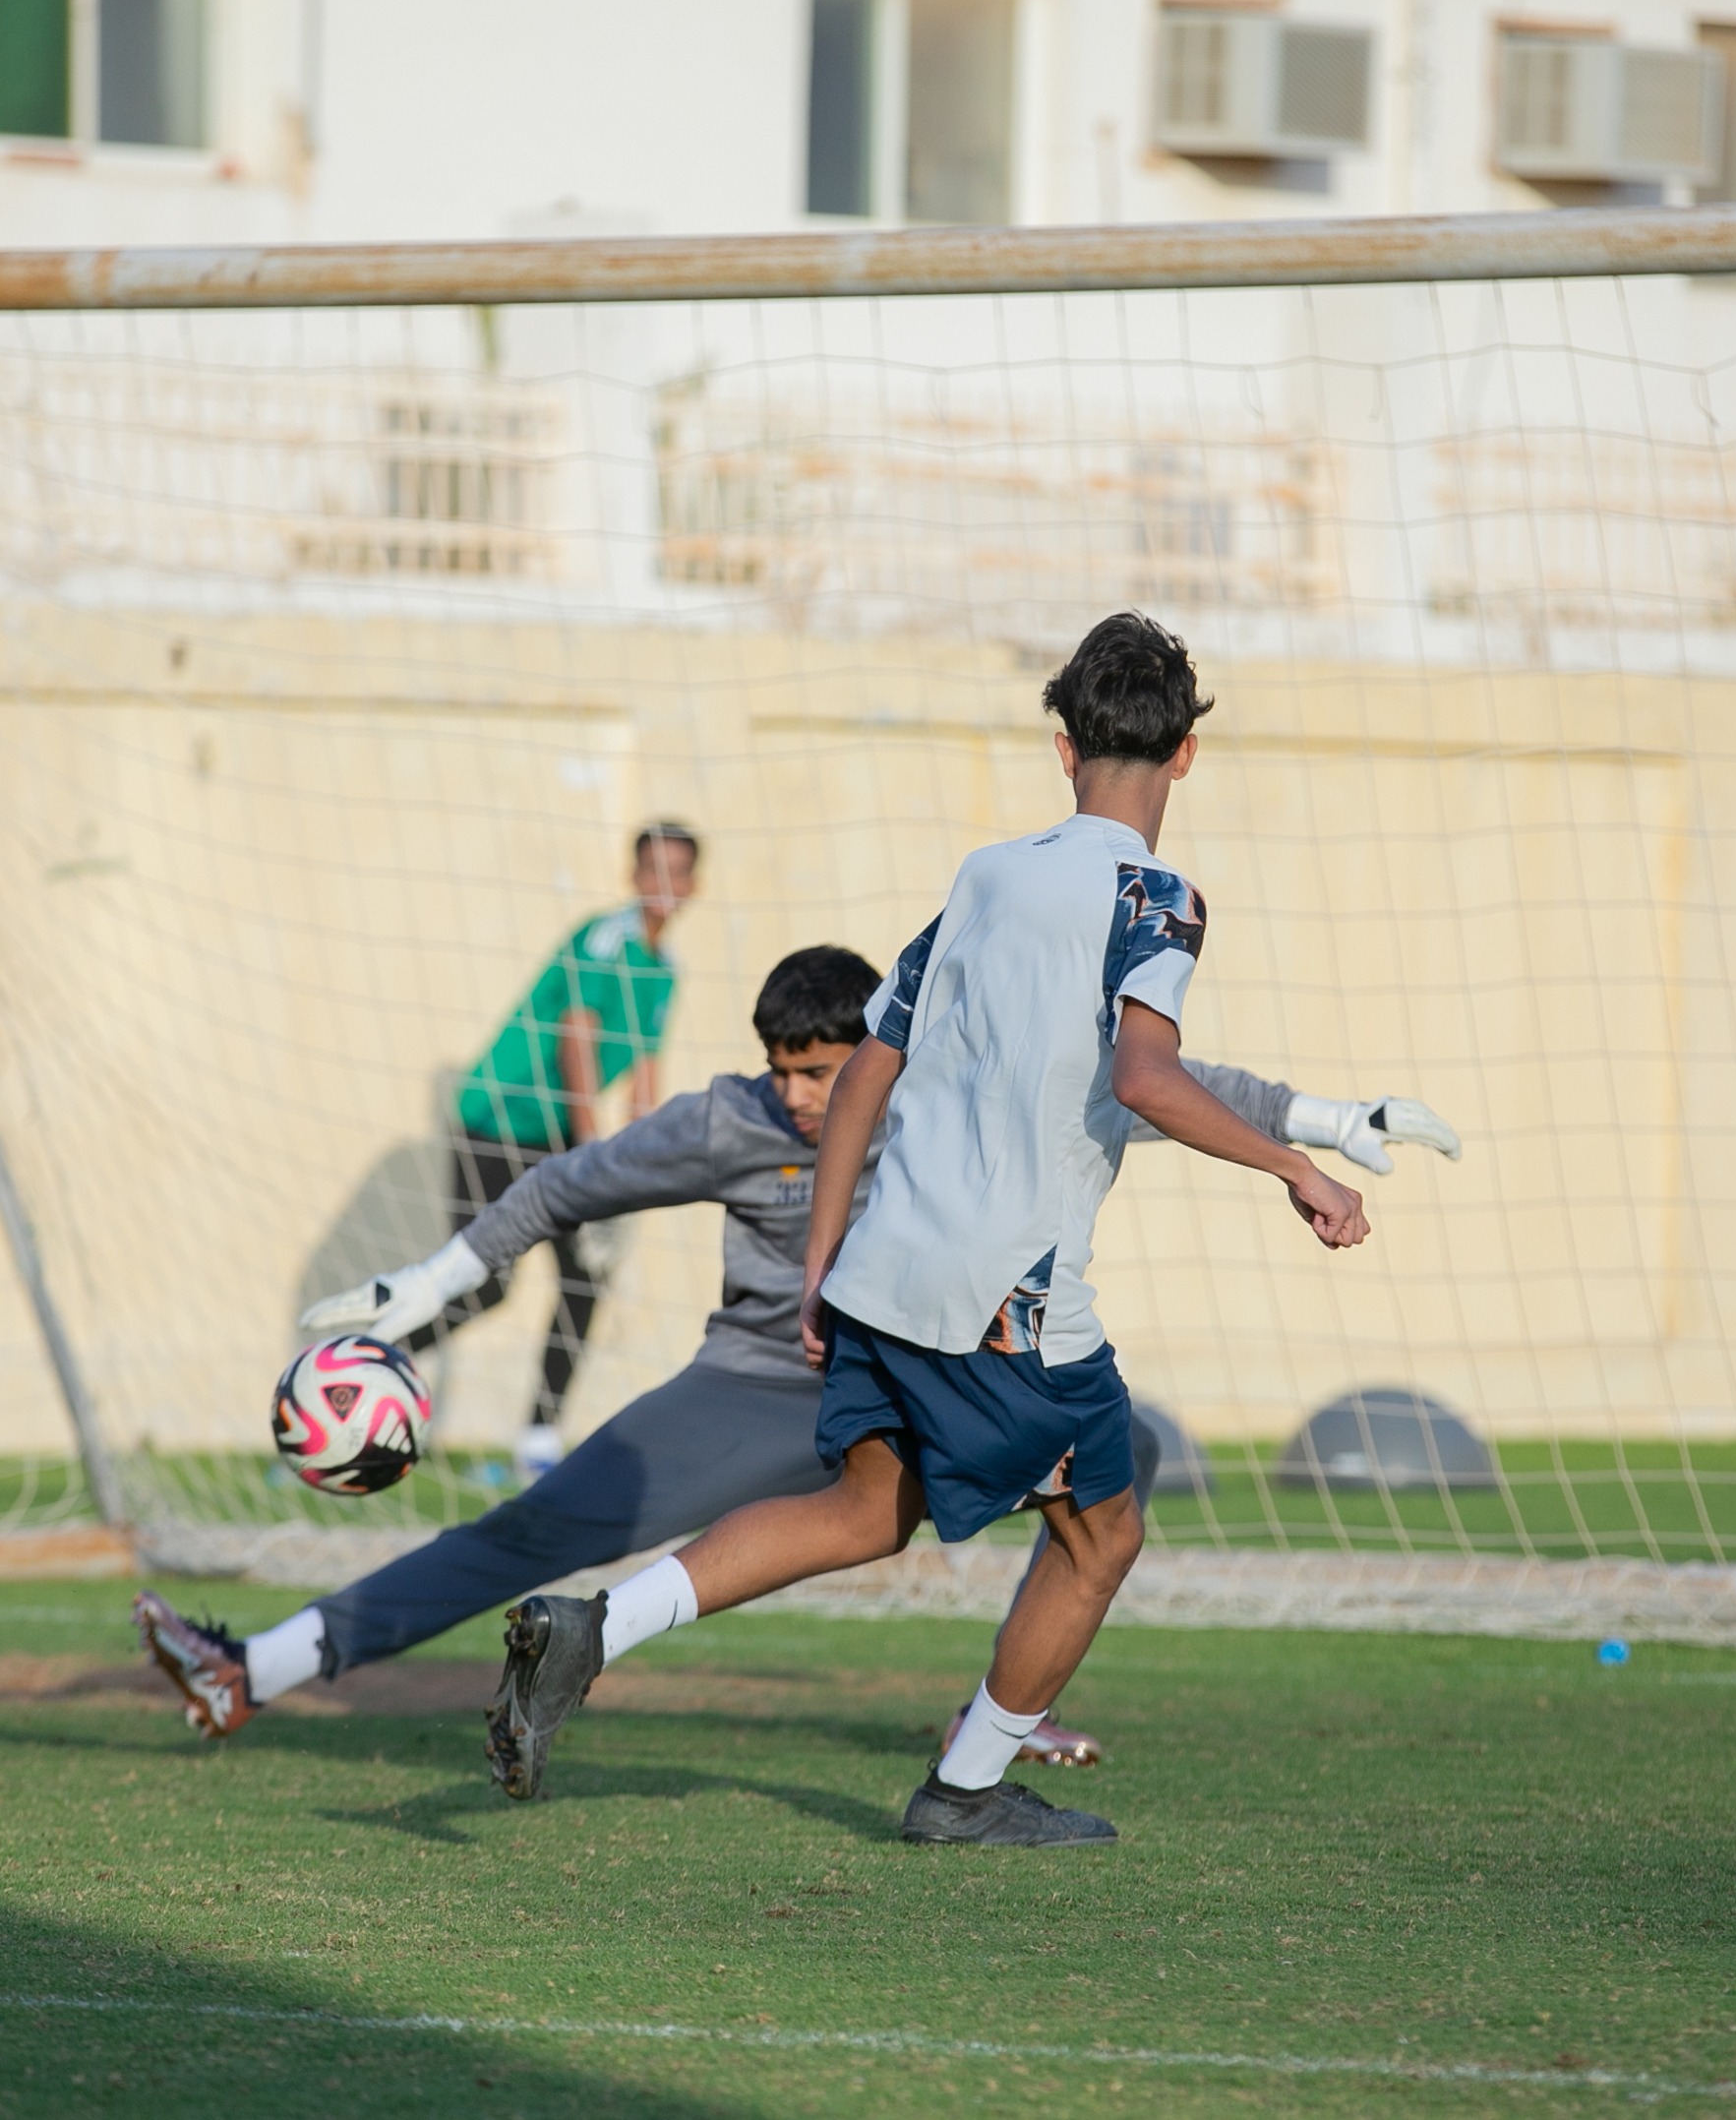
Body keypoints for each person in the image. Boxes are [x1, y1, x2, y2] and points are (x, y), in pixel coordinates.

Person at [481, 612, 1375, 1845]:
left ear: (1063, 748)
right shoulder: (1157, 897)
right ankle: (964, 1789)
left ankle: (596, 1623)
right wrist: (1297, 1166)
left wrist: (820, 1263)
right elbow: (1148, 1075)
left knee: (865, 1508)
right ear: (1186, 757)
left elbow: (864, 1076)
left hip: (883, 1262)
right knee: (1101, 1529)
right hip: (1007, 1295)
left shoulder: (985, 875)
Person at [135, 940, 1452, 1755]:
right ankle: (254, 1671)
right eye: (788, 1074)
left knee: (1102, 1508)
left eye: (829, 1072)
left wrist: (1329, 1119)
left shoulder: (943, 1086)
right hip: (757, 1385)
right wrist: (421, 1288)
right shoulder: (724, 1121)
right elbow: (559, 1191)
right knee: (534, 1532)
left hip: (926, 1375)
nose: (809, 1099)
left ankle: (1000, 1724)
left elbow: (1147, 1076)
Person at [423, 823, 700, 1481]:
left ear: (693, 885)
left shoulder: (666, 972)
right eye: (652, 869)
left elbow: (644, 1070)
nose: (664, 883)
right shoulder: (601, 939)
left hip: (559, 1137)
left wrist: (639, 1163)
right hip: (498, 1120)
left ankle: (539, 1440)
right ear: (633, 876)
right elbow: (577, 1038)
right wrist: (590, 1146)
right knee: (482, 1285)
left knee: (584, 1276)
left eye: (677, 871)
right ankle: (361, 1368)